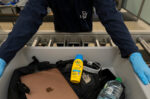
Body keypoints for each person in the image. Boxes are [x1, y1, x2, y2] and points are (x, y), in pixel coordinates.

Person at [0, 0, 150, 85]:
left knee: (81, 57)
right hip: (61, 27)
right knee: (63, 59)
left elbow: (110, 15)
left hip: (84, 27)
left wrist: (132, 51)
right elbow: (30, 17)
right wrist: (3, 55)